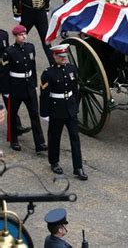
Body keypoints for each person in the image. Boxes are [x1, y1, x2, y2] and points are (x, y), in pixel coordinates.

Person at [40, 44, 88, 180]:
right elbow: (44, 95)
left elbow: (75, 89)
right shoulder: (48, 73)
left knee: (75, 138)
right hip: (56, 108)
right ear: (54, 56)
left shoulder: (71, 69)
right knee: (55, 137)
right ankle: (54, 162)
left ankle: (78, 167)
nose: (64, 59)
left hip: (70, 108)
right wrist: (44, 113)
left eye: (65, 56)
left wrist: (75, 105)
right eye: (61, 57)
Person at [0, 25, 47, 152]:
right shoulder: (9, 52)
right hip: (15, 87)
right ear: (16, 36)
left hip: (29, 87)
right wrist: (6, 91)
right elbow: (4, 74)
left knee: (34, 115)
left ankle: (40, 143)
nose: (24, 36)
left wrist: (35, 85)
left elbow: (33, 67)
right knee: (13, 115)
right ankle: (14, 140)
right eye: (21, 35)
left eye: (25, 34)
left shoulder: (30, 47)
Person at [0, 29, 30, 136]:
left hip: (3, 72)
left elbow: (7, 52)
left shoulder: (3, 34)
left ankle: (16, 126)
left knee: (9, 101)